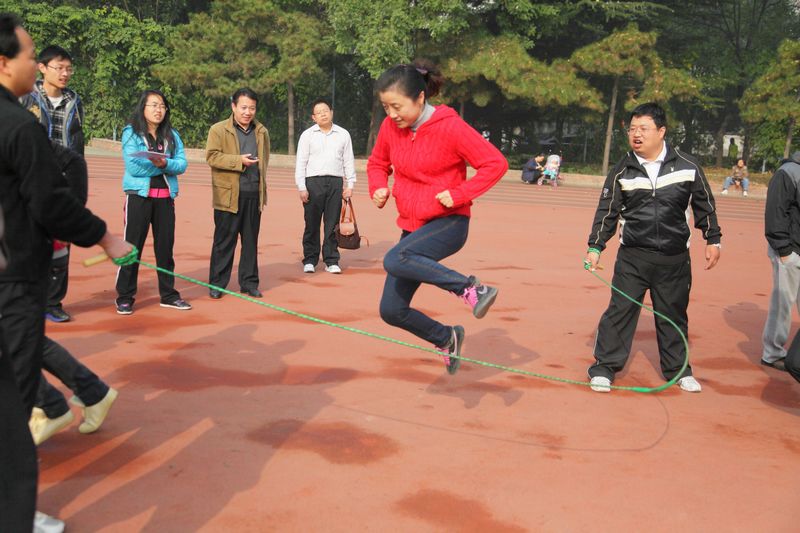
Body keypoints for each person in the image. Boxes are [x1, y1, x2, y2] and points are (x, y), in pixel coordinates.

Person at [0, 13, 131, 531]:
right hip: (13, 282)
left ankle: (64, 400)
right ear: (4, 62)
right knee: (11, 404)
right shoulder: (17, 126)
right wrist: (105, 234)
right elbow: (51, 204)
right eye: (32, 55)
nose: (39, 63)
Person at [367, 60, 507, 375]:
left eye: (397, 106)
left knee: (395, 258)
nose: (392, 115)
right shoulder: (392, 128)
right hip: (412, 228)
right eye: (386, 107)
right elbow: (378, 162)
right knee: (391, 310)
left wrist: (459, 194)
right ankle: (445, 337)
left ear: (420, 98)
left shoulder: (450, 127)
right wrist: (378, 187)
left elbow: (495, 164)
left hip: (449, 222)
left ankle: (470, 289)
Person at [584, 102, 722, 393]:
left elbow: (704, 205)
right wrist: (595, 247)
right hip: (633, 257)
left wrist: (713, 239)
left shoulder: (688, 166)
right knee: (620, 312)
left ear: (661, 131)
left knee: (672, 315)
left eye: (643, 129)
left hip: (674, 259)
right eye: (633, 129)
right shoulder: (623, 170)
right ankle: (604, 368)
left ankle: (679, 370)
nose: (636, 134)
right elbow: (606, 211)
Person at [20, 45, 85, 323]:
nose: (65, 73)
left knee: (61, 242)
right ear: (42, 68)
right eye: (59, 67)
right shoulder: (25, 97)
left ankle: (53, 301)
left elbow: (78, 140)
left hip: (63, 180)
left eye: (69, 68)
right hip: (31, 177)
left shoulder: (74, 100)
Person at [115, 89, 191, 315]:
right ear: (143, 108)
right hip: (139, 198)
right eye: (153, 105)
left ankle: (168, 294)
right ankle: (125, 296)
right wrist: (157, 164)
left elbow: (182, 164)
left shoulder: (172, 135)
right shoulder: (131, 133)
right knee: (132, 248)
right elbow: (133, 166)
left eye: (162, 106)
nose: (158, 110)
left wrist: (164, 165)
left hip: (165, 200)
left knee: (165, 249)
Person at [206, 87, 270, 299]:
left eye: (252, 108)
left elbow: (265, 161)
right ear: (233, 106)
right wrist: (238, 161)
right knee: (224, 241)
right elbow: (212, 157)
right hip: (228, 196)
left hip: (253, 194)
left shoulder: (261, 131)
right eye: (243, 107)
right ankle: (217, 283)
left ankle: (249, 283)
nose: (247, 112)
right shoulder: (218, 130)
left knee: (250, 242)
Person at [295, 98, 356, 274]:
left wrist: (349, 184)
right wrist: (301, 187)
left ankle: (331, 260)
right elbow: (301, 162)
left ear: (331, 112)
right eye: (319, 112)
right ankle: (310, 259)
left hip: (336, 183)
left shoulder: (343, 134)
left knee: (332, 223)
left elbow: (348, 161)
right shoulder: (307, 135)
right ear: (313, 117)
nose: (323, 113)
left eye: (326, 110)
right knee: (311, 223)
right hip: (313, 182)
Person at [761, 151, 800, 373]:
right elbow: (775, 213)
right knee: (782, 305)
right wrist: (784, 250)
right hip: (789, 251)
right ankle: (772, 353)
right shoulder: (788, 172)